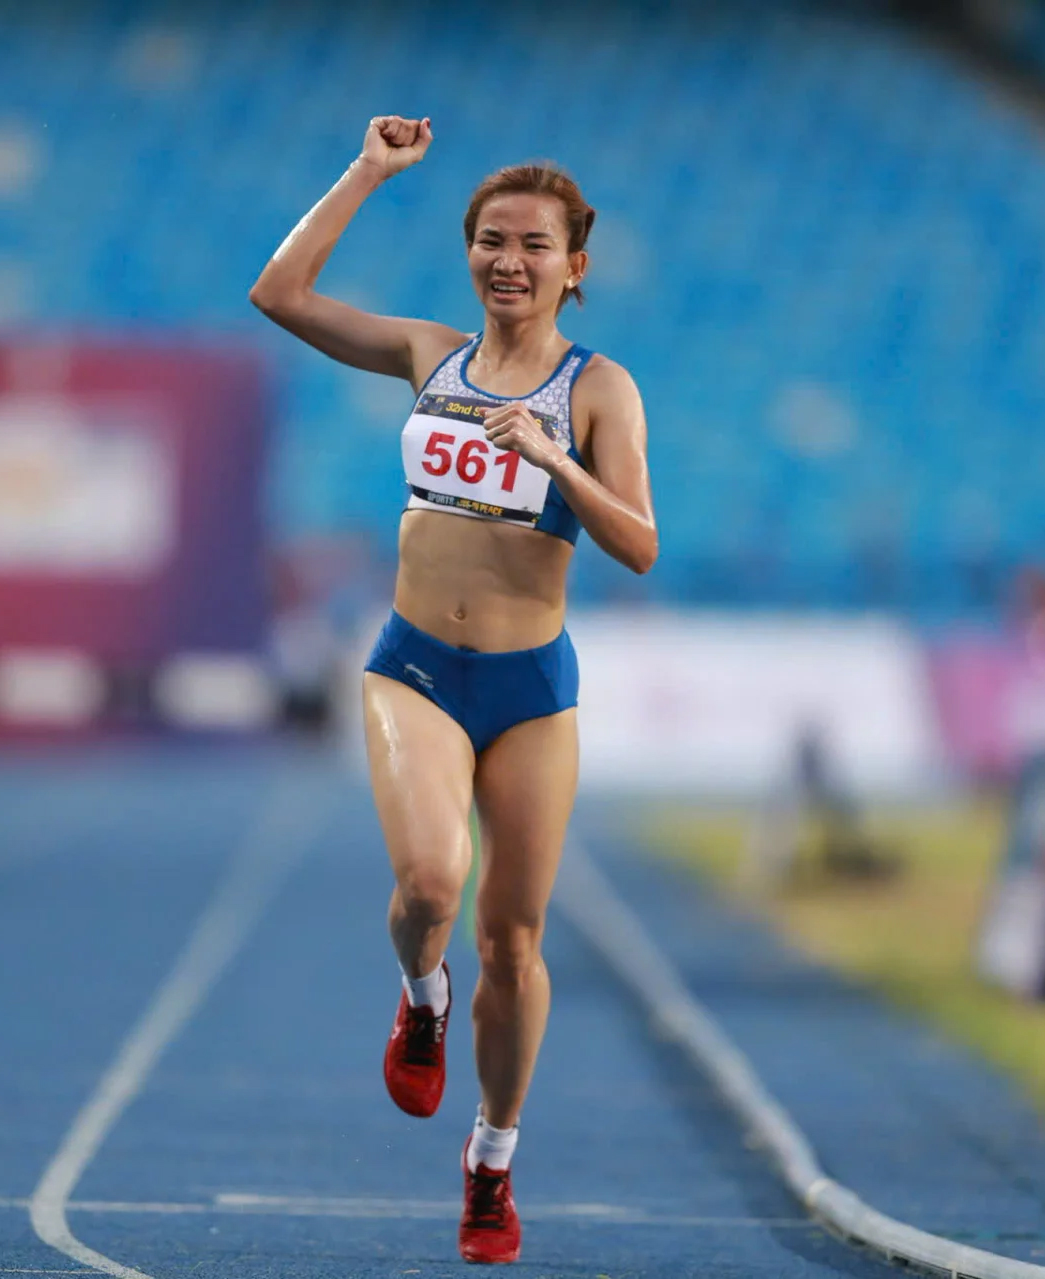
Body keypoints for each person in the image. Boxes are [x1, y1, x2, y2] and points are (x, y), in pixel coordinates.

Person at [250, 116, 657, 1264]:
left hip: (530, 686)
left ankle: (491, 1160)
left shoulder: (599, 388)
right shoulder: (429, 356)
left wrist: (556, 459)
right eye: (490, 240)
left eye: (534, 245)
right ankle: (422, 995)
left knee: (515, 942)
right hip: (417, 667)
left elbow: (639, 542)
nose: (508, 261)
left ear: (575, 265)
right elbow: (279, 295)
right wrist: (370, 172)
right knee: (431, 879)